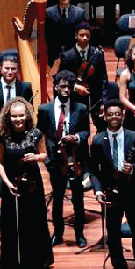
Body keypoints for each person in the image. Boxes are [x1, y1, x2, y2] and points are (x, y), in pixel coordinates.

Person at [89, 100, 135, 269]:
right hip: (111, 195)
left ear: (123, 115)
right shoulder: (98, 140)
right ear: (105, 116)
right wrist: (98, 190)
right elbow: (93, 171)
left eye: (118, 114)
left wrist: (132, 169)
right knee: (114, 235)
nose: (114, 117)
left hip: (132, 193)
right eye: (110, 114)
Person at [0, 97, 53, 269]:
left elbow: (44, 154)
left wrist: (35, 157)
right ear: (8, 117)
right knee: (14, 224)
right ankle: (16, 262)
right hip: (11, 184)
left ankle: (37, 260)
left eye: (21, 115)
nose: (18, 119)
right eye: (14, 116)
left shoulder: (36, 134)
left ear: (26, 115)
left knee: (35, 220)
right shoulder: (2, 138)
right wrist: (7, 182)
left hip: (33, 184)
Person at [40, 71, 89, 247]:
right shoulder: (44, 109)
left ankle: (79, 235)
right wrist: (45, 158)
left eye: (69, 87)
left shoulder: (81, 108)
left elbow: (86, 132)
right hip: (55, 162)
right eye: (62, 86)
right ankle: (58, 234)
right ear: (55, 88)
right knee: (58, 198)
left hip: (75, 160)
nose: (66, 90)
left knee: (78, 199)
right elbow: (39, 134)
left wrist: (76, 137)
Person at [59, 22, 108, 131]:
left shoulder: (98, 53)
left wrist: (104, 102)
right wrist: (75, 87)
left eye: (87, 35)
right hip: (75, 98)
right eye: (81, 35)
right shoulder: (67, 56)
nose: (85, 38)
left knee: (102, 129)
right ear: (76, 36)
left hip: (96, 98)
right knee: (80, 130)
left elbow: (104, 79)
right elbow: (61, 79)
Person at [0, 54, 33, 141]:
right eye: (6, 68)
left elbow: (29, 112)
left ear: (17, 70)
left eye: (13, 69)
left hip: (19, 130)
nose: (10, 72)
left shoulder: (26, 87)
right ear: (0, 68)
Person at [45, 0, 88, 64]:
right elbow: (48, 34)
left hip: (73, 51)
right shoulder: (49, 12)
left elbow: (82, 33)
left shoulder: (79, 12)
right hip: (55, 52)